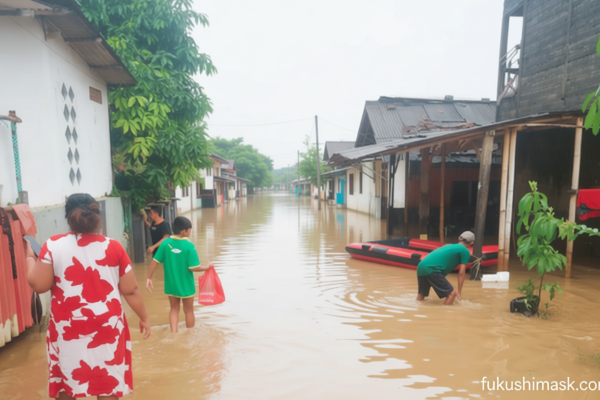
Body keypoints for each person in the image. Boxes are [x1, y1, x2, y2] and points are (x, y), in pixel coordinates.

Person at [25, 193, 151, 400]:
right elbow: (131, 290)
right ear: (96, 215)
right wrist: (144, 318)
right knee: (107, 382)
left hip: (68, 328)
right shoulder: (114, 246)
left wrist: (29, 257)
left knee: (68, 382)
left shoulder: (53, 245)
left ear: (67, 217)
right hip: (107, 327)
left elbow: (38, 285)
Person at [146, 216, 212, 333]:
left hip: (171, 285)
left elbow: (155, 261)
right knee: (189, 311)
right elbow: (194, 267)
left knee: (174, 309)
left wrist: (148, 278)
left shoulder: (166, 243)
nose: (190, 232)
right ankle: (190, 335)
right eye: (189, 229)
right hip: (187, 285)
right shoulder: (189, 246)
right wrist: (207, 267)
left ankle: (174, 334)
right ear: (183, 231)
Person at [416, 231, 475, 305]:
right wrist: (459, 293)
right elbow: (461, 273)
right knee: (452, 294)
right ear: (472, 242)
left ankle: (417, 307)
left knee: (422, 294)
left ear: (459, 239)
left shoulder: (450, 246)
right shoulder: (465, 251)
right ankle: (445, 312)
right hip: (432, 269)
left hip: (421, 266)